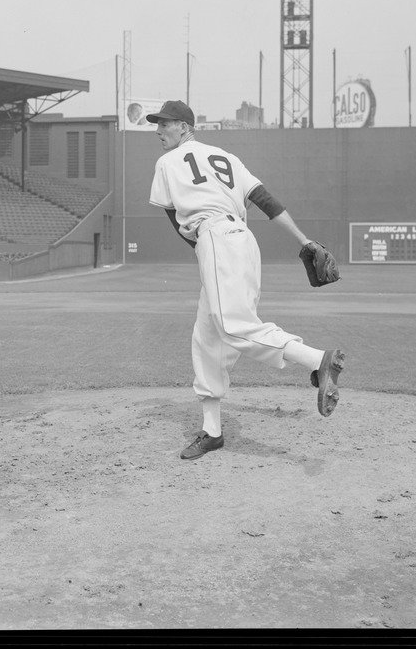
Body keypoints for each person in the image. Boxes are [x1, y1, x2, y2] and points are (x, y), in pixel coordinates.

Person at [146, 100, 346, 460]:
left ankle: (317, 359)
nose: (158, 131)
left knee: (234, 327)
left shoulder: (167, 162)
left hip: (216, 240)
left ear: (183, 126)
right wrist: (304, 240)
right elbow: (265, 202)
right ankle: (212, 431)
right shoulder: (226, 157)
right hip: (242, 241)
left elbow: (175, 219)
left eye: (164, 124)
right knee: (207, 336)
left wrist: (203, 249)